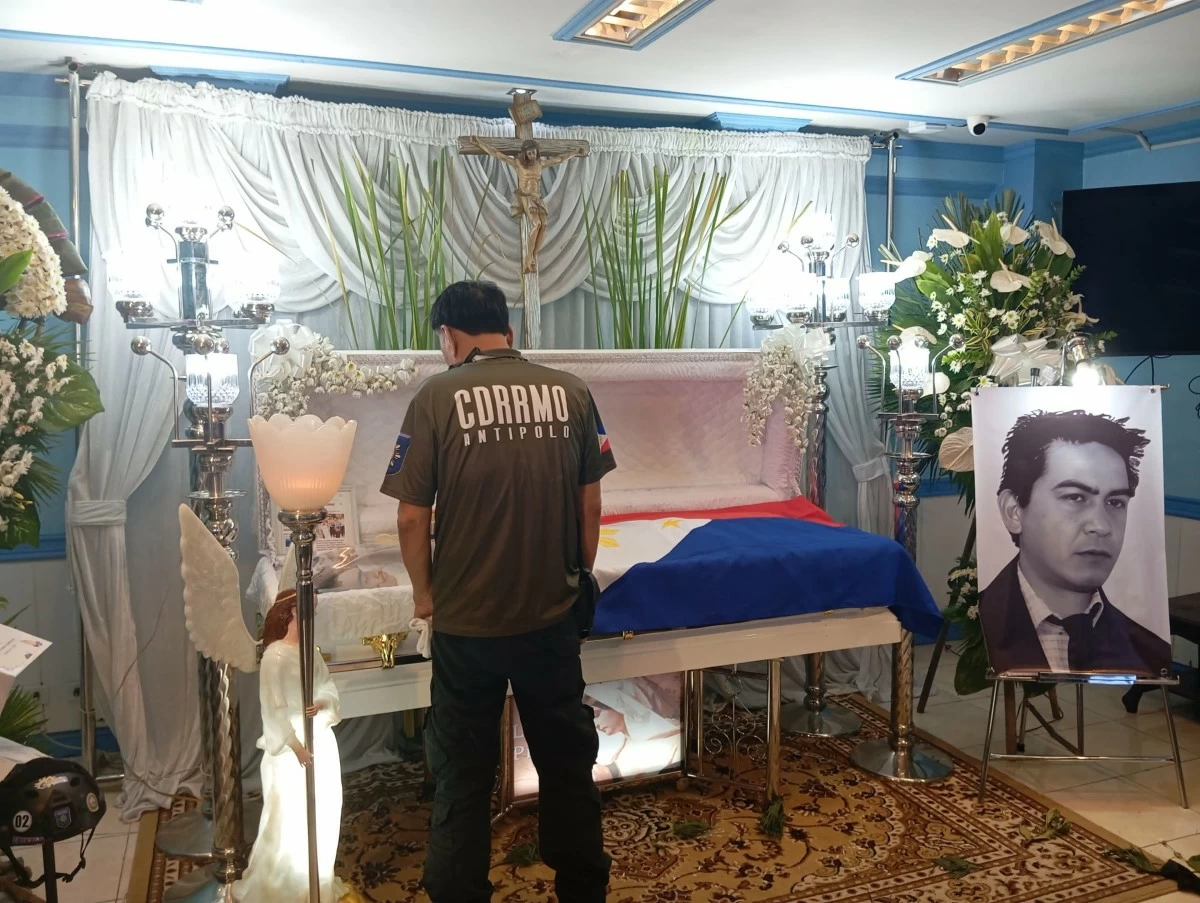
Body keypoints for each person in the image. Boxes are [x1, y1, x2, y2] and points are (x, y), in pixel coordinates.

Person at [380, 280, 615, 902]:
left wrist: (425, 597)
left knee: (461, 775)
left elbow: (411, 517)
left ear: (449, 336)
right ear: (507, 331)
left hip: (466, 626)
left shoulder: (436, 397)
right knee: (567, 764)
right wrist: (577, 575)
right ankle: (583, 889)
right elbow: (590, 504)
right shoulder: (571, 392)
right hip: (550, 617)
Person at [979, 409, 1170, 676]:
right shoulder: (979, 624)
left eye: (1115, 502)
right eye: (1075, 498)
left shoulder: (1148, 653)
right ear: (1014, 511)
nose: (1101, 526)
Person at [233, 590, 350, 903]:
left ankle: (316, 883)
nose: (313, 615)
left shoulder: (309, 650)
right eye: (309, 609)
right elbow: (274, 709)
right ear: (292, 612)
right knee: (290, 820)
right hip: (291, 751)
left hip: (319, 738)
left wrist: (322, 701)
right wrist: (297, 747)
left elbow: (326, 684)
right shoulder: (274, 657)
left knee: (324, 810)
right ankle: (285, 889)